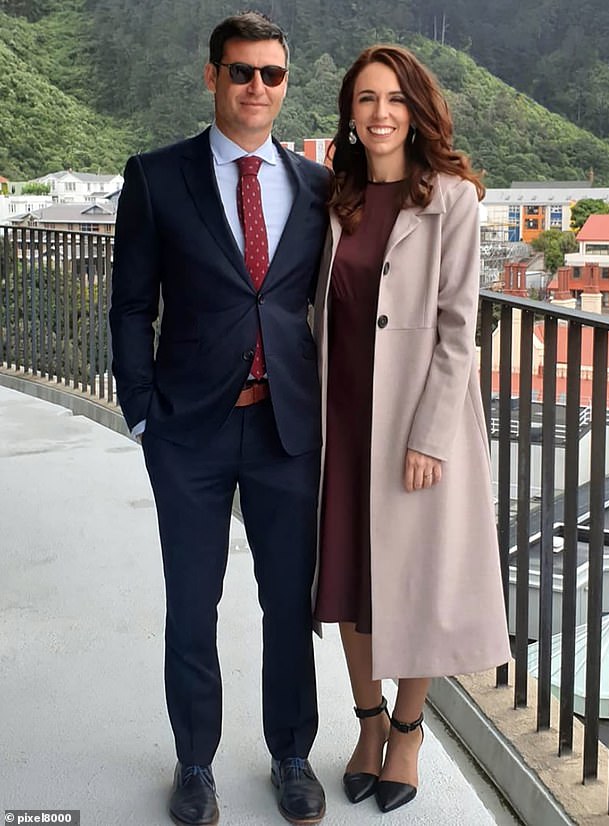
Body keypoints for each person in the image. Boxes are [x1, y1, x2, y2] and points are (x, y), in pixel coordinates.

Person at [109, 11, 330, 826]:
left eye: (272, 75)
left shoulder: (314, 183)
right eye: (242, 72)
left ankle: (293, 755)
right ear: (212, 76)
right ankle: (195, 764)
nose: (257, 88)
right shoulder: (158, 176)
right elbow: (132, 304)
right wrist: (141, 413)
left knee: (287, 605)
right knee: (192, 604)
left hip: (285, 431)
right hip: (189, 433)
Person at [312, 44, 511, 814]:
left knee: (419, 578)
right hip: (344, 415)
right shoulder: (339, 197)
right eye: (365, 99)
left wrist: (430, 434)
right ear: (351, 116)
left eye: (394, 98)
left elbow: (461, 327)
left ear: (416, 109)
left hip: (417, 421)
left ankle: (408, 731)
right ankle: (366, 725)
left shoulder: (453, 198)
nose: (381, 112)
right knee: (350, 576)